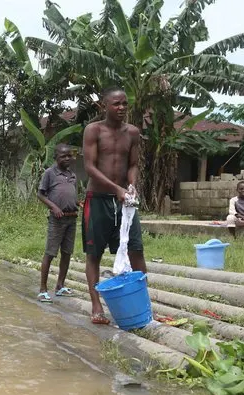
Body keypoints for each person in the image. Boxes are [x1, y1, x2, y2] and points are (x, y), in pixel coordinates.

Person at [81, 86, 147, 325]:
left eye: (124, 104)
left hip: (124, 202)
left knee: (136, 250)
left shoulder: (133, 133)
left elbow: (133, 164)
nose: (121, 108)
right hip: (98, 199)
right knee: (93, 254)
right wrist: (115, 189)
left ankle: (142, 302)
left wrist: (130, 186)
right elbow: (90, 167)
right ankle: (96, 306)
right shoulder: (94, 130)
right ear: (104, 106)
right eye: (116, 104)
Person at [36, 144, 79, 302]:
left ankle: (60, 286)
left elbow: (70, 193)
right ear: (56, 158)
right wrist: (54, 207)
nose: (67, 158)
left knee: (67, 253)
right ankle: (42, 289)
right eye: (63, 156)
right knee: (50, 253)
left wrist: (77, 202)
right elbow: (40, 195)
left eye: (69, 155)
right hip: (57, 220)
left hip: (72, 218)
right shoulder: (49, 173)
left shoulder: (72, 175)